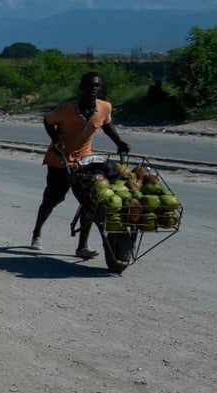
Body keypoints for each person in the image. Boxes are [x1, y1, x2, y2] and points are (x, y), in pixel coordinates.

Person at [30, 71, 131, 258]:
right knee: (53, 198)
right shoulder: (66, 109)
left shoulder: (104, 107)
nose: (94, 89)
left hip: (85, 160)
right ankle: (37, 232)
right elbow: (48, 120)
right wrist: (56, 140)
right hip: (59, 159)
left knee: (91, 201)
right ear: (81, 88)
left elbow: (106, 125)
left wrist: (119, 142)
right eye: (90, 85)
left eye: (97, 86)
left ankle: (82, 246)